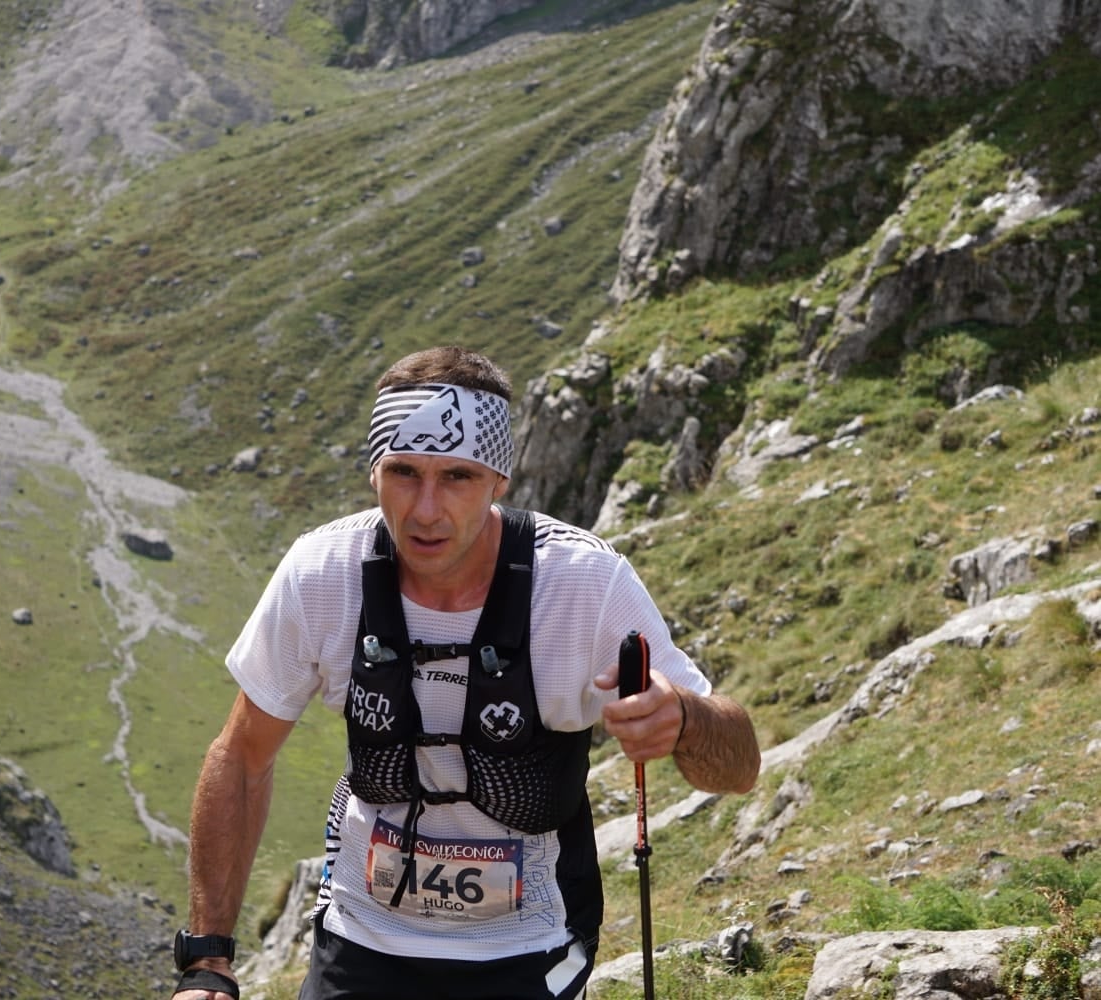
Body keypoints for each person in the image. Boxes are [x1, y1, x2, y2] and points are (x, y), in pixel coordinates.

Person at [171, 346, 760, 1000]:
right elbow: (242, 757)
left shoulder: (584, 585)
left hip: (528, 946)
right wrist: (207, 961)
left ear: (498, 481)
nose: (425, 510)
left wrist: (683, 719)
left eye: (456, 476)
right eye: (403, 473)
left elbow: (738, 770)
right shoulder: (322, 574)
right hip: (361, 938)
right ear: (373, 473)